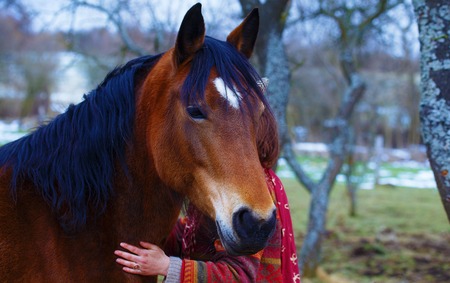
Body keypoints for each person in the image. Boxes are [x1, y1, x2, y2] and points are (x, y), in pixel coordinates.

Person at [114, 167, 301, 283]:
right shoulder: (219, 180)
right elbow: (188, 237)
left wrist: (166, 266)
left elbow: (238, 275)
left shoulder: (248, 188)